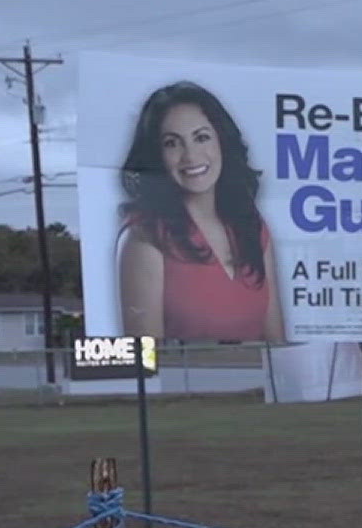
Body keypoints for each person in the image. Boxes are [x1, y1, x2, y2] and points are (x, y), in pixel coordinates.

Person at [116, 81, 285, 344]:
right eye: (172, 143)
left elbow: (277, 344)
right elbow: (146, 364)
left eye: (201, 137)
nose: (190, 155)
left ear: (222, 142)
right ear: (157, 155)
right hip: (191, 384)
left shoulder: (252, 227)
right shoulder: (146, 238)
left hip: (257, 384)